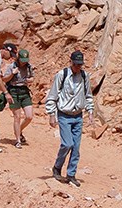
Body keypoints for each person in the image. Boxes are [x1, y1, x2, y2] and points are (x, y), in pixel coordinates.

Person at [45, 50, 94, 187]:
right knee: (67, 144)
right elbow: (53, 95)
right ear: (70, 62)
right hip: (64, 115)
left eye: (80, 65)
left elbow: (88, 95)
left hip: (78, 116)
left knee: (76, 147)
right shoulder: (62, 75)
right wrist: (51, 114)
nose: (78, 67)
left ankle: (71, 174)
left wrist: (90, 111)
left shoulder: (84, 76)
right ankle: (57, 167)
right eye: (76, 64)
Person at [2, 49, 34, 149]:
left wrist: (29, 80)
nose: (24, 62)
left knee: (29, 116)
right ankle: (18, 140)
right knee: (17, 116)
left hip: (24, 91)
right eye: (22, 60)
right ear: (18, 58)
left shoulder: (29, 67)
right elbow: (4, 79)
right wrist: (12, 74)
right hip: (14, 91)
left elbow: (32, 77)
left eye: (26, 60)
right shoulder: (12, 66)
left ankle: (19, 130)